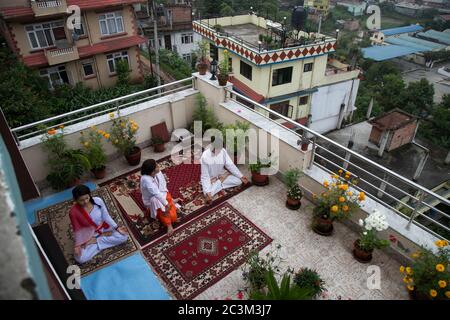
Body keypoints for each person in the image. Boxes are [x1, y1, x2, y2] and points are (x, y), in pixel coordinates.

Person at [69, 185, 128, 264]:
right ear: (75, 200)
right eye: (81, 200)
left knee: (124, 237)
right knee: (80, 258)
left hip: (104, 227)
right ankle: (102, 242)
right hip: (89, 235)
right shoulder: (73, 212)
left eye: (87, 198)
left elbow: (106, 216)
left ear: (89, 195)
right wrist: (77, 245)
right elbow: (77, 229)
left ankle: (97, 241)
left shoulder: (97, 201)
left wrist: (117, 228)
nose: (85, 201)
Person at [200, 137, 249, 204]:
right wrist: (207, 191)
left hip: (221, 174)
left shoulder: (223, 151)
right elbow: (205, 176)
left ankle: (218, 183)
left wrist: (241, 176)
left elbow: (230, 164)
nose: (218, 151)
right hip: (211, 178)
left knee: (239, 181)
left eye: (219, 149)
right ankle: (220, 181)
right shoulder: (205, 156)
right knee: (208, 194)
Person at [140, 159, 180, 235]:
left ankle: (171, 201)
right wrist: (166, 204)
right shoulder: (146, 180)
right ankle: (169, 225)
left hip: (161, 194)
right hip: (153, 200)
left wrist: (169, 200)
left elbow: (162, 185)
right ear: (152, 172)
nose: (159, 166)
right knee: (173, 217)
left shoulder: (155, 173)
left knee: (174, 217)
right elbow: (156, 193)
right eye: (157, 166)